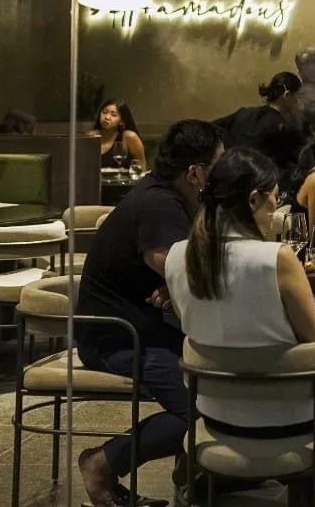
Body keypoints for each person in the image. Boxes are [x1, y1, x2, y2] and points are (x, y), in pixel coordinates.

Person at [75, 119, 226, 507]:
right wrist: (178, 282)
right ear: (195, 173)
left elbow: (182, 270)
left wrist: (175, 284)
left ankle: (198, 483)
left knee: (226, 389)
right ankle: (103, 464)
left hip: (150, 330)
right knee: (201, 412)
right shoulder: (159, 204)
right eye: (218, 167)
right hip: (119, 339)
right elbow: (187, 271)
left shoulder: (167, 196)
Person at [165, 147, 315, 445]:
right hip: (285, 419)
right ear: (254, 199)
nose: (276, 211)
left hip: (211, 414)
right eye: (274, 199)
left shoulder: (176, 255)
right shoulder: (278, 259)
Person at [213, 72, 304, 175]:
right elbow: (297, 166)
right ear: (286, 95)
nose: (298, 102)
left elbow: (209, 128)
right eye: (297, 96)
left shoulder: (243, 113)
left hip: (226, 176)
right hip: (257, 185)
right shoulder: (283, 128)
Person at [95, 98, 147, 172]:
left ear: (121, 121)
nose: (106, 117)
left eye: (113, 115)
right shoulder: (92, 136)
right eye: (104, 112)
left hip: (125, 182)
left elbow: (142, 168)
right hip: (97, 182)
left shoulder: (129, 137)